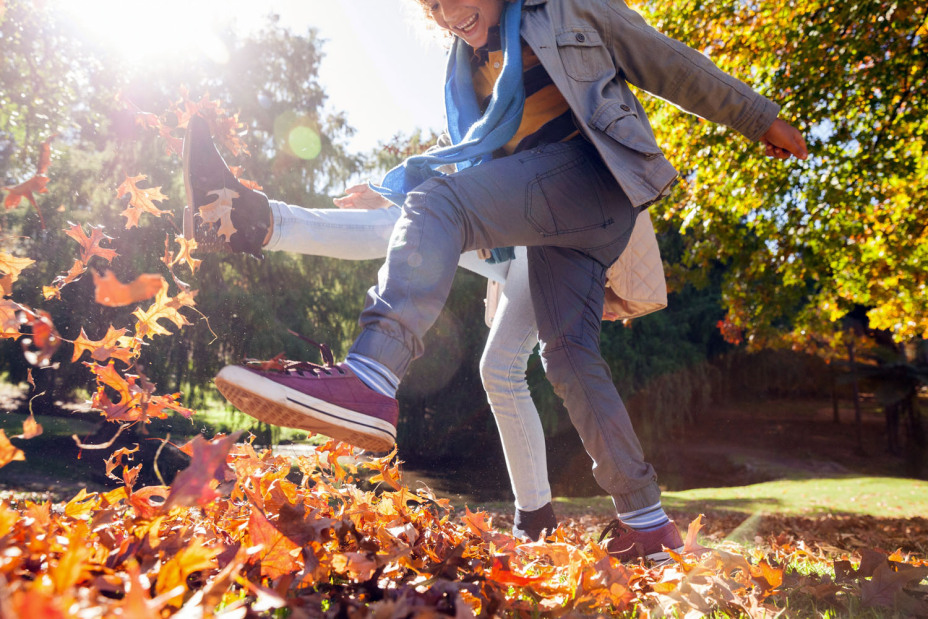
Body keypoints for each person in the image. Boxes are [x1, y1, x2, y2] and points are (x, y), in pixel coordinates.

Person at [185, 0, 807, 562]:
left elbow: (666, 61)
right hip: (554, 214)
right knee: (567, 356)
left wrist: (759, 118)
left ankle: (370, 373)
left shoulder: (564, 6)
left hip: (591, 178)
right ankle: (646, 521)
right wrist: (384, 187)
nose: (445, 13)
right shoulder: (468, 62)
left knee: (437, 207)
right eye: (431, 6)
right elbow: (472, 150)